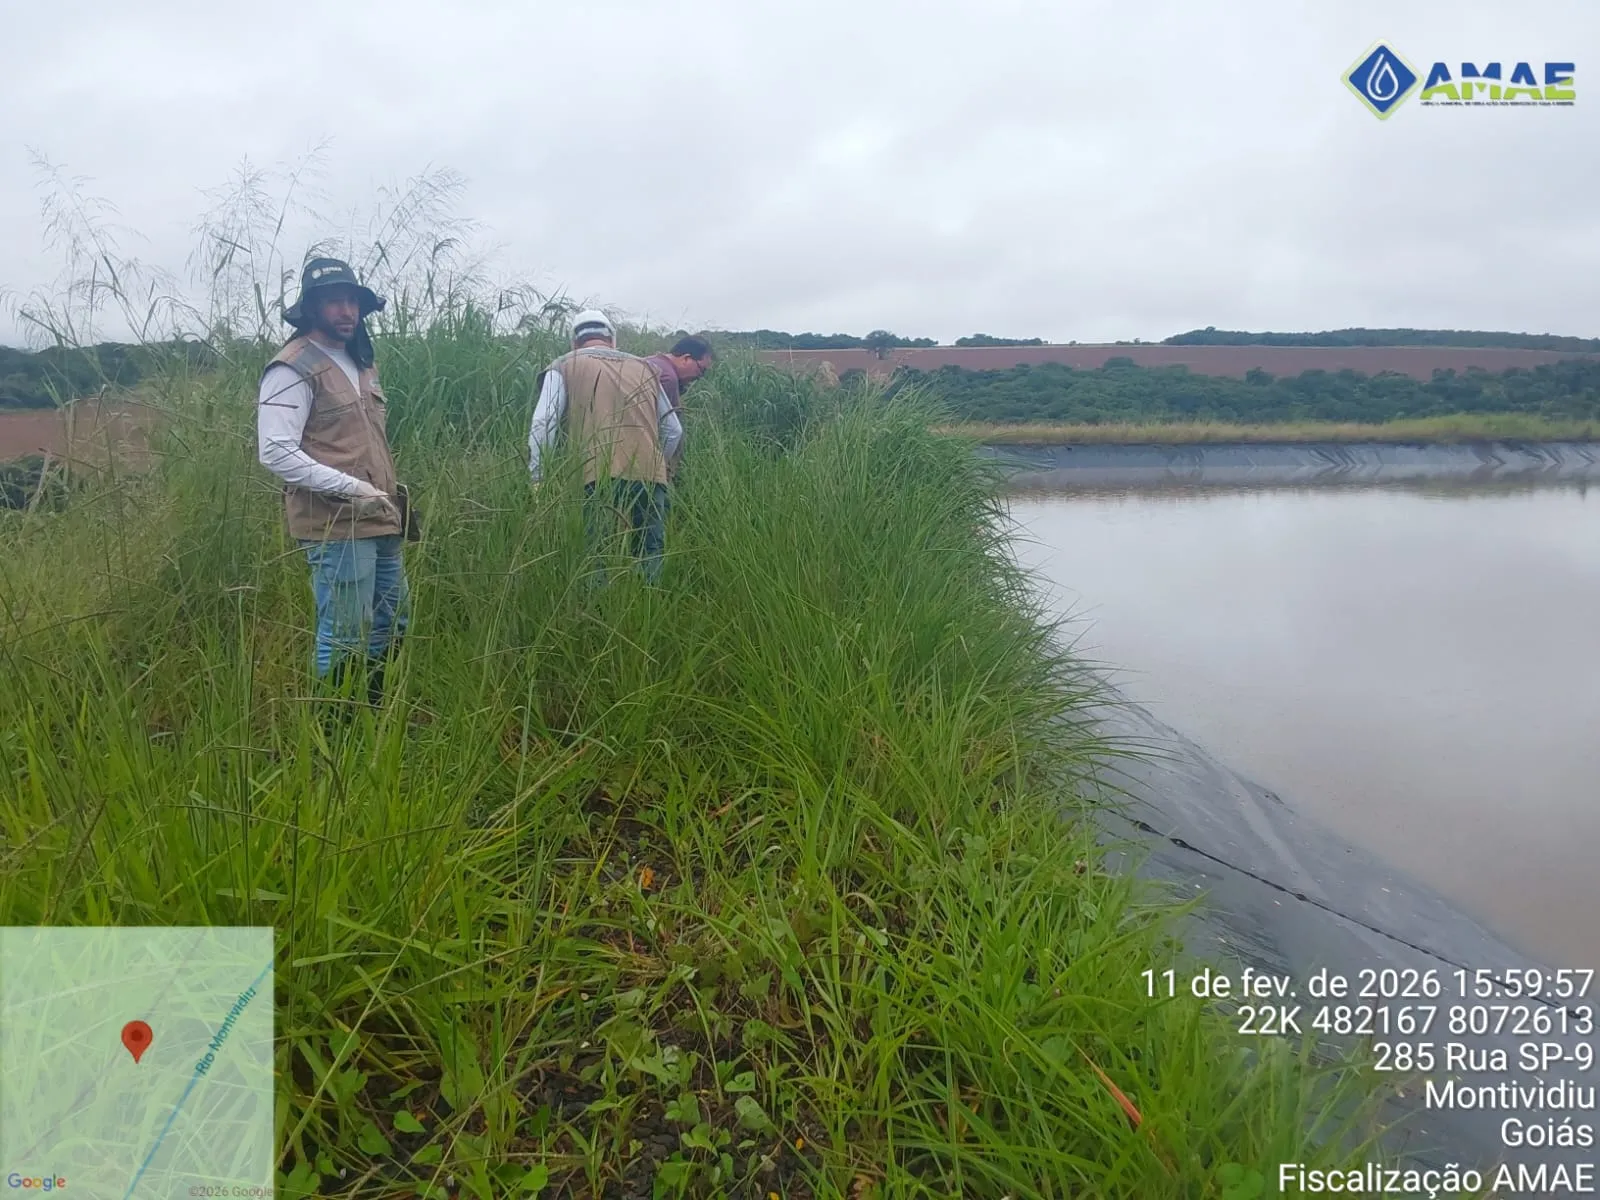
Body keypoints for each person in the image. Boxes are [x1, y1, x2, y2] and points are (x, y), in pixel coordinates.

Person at [257, 256, 410, 710]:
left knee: (393, 621)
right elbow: (275, 451)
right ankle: (336, 730)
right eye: (334, 302)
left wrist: (378, 493)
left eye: (352, 301)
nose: (347, 311)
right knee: (344, 633)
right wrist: (354, 489)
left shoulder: (361, 363)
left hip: (383, 513)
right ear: (311, 308)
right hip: (336, 524)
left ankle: (374, 712)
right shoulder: (291, 368)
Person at [528, 309, 683, 584]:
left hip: (592, 473)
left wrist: (539, 476)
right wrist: (659, 465)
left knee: (593, 555)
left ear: (574, 341)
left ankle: (596, 608)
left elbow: (544, 423)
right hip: (650, 474)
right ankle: (650, 603)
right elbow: (674, 430)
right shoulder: (646, 368)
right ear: (612, 339)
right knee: (649, 552)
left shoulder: (564, 364)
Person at [642, 335, 714, 479]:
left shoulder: (650, 361)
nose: (700, 377)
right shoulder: (668, 377)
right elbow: (666, 429)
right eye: (701, 370)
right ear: (686, 358)